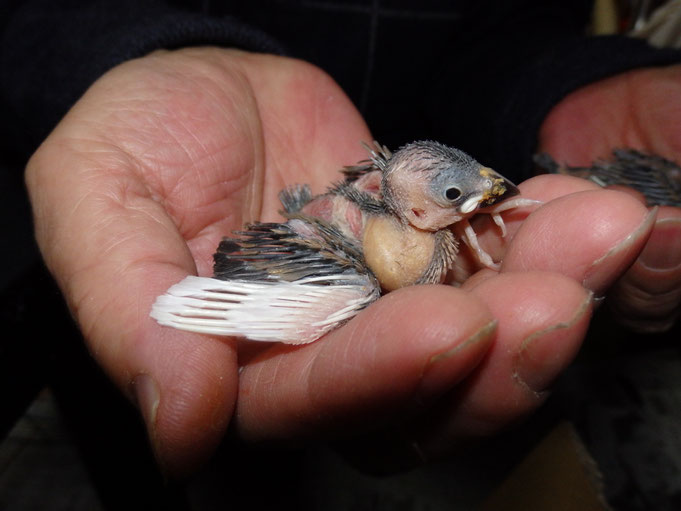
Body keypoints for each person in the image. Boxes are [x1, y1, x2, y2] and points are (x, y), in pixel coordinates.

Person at [2, 0, 680, 479]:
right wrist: (109, 55)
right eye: (456, 199)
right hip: (62, 252)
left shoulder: (427, 218)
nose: (480, 204)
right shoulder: (372, 244)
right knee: (147, 439)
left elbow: (500, 29)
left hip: (412, 126)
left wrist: (561, 81)